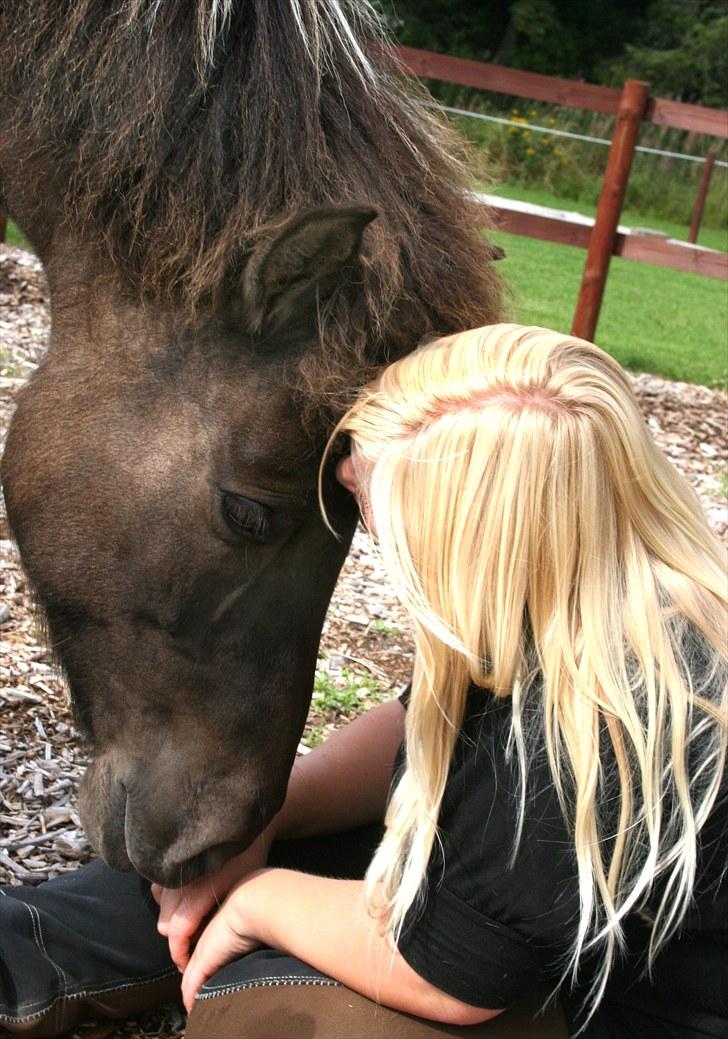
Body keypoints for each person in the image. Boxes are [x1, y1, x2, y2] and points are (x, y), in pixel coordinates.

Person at [1, 324, 725, 1038]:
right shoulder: (592, 604)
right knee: (219, 857)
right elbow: (418, 726)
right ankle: (20, 958)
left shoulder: (587, 724)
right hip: (538, 928)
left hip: (589, 1003)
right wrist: (273, 818)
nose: (346, 476)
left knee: (273, 1011)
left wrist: (261, 902)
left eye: (384, 491)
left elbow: (447, 976)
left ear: (475, 545)